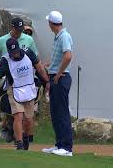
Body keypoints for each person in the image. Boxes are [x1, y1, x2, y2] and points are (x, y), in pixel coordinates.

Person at [0, 38, 49, 150]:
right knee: (18, 116)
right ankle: (19, 144)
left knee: (29, 120)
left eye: (16, 52)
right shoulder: (5, 60)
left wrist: (47, 82)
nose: (14, 55)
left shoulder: (28, 53)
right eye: (12, 53)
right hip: (14, 90)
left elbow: (39, 67)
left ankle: (25, 137)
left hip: (29, 89)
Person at [0, 17, 39, 143]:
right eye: (17, 30)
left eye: (21, 30)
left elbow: (35, 58)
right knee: (14, 112)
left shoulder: (28, 39)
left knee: (27, 115)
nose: (19, 32)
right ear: (12, 27)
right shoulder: (3, 40)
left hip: (27, 81)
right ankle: (14, 136)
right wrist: (3, 69)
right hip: (11, 82)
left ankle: (24, 138)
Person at [42, 11, 74, 157]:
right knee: (55, 113)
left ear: (51, 23)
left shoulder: (64, 36)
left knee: (62, 113)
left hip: (61, 78)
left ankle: (67, 147)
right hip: (55, 77)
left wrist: (59, 72)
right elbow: (61, 56)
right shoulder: (58, 37)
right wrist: (50, 64)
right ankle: (59, 144)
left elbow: (68, 56)